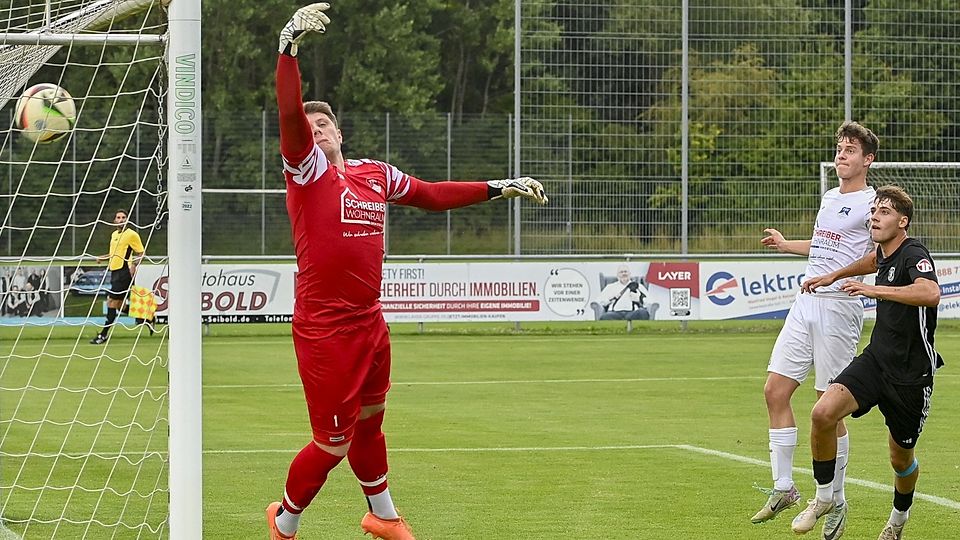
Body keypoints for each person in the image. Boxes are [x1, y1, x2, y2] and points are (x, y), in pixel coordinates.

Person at [265, 5, 548, 540]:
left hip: (370, 321)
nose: (314, 129)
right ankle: (285, 520)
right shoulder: (306, 171)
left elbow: (431, 195)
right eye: (310, 123)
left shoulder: (374, 175)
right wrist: (288, 50)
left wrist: (497, 187)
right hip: (325, 329)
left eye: (324, 123)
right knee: (332, 442)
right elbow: (287, 114)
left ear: (340, 132)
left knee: (372, 420)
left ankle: (385, 517)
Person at [751, 121, 879, 540]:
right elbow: (822, 244)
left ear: (868, 160)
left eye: (851, 150)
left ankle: (835, 498)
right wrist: (788, 244)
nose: (842, 155)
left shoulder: (873, 203)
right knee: (775, 390)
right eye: (840, 148)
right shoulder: (829, 196)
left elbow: (877, 259)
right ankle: (785, 488)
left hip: (839, 308)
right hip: (805, 303)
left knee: (829, 407)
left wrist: (833, 277)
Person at [792, 185, 942, 540]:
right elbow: (872, 262)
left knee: (900, 460)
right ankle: (825, 497)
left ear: (903, 221)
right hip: (876, 361)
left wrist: (873, 290)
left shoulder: (913, 253)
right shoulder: (883, 252)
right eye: (874, 211)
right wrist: (835, 275)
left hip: (911, 376)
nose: (875, 216)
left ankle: (897, 521)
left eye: (885, 212)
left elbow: (930, 293)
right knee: (822, 413)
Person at [89, 209, 144, 345]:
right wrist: (103, 257)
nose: (121, 219)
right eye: (118, 217)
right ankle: (145, 318)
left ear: (127, 220)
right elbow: (114, 253)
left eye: (123, 217)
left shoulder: (131, 234)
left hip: (124, 272)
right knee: (119, 305)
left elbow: (141, 253)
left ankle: (103, 335)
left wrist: (134, 265)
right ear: (114, 220)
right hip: (114, 271)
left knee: (111, 302)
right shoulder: (114, 234)